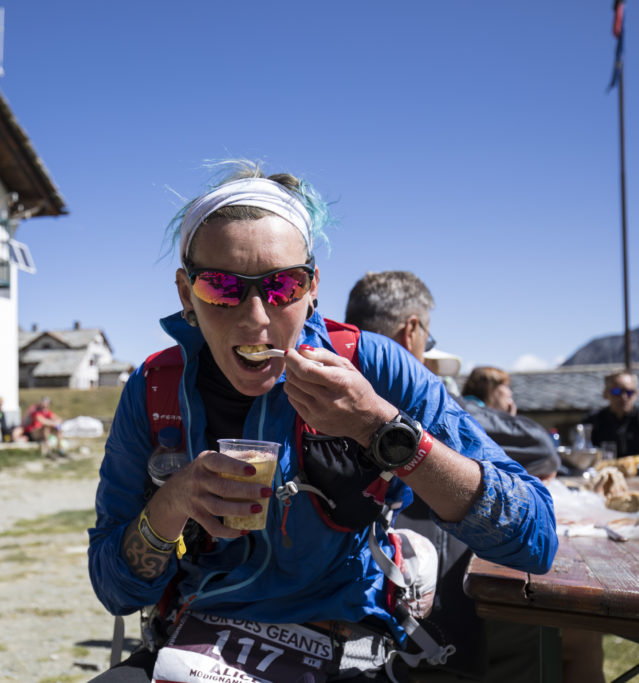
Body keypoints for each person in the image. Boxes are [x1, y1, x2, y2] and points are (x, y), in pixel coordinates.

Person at [88, 164, 557, 682]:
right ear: (185, 294)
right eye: (221, 287)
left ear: (312, 287)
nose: (256, 318)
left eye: (283, 285)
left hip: (347, 648)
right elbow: (114, 590)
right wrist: (172, 503)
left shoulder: (372, 368)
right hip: (197, 644)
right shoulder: (156, 387)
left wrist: (379, 427)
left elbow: (534, 538)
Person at [345, 271, 568, 682]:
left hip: (321, 632)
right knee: (544, 636)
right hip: (426, 634)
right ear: (412, 330)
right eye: (427, 342)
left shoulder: (301, 376)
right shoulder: (414, 389)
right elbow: (539, 452)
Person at [585, 370, 639, 471]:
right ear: (605, 394)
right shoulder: (592, 422)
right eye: (616, 392)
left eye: (629, 392)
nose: (623, 397)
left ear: (636, 394)